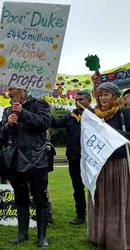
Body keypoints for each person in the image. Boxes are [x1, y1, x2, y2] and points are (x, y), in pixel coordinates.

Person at [0, 87, 52, 247]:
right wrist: (9, 125)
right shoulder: (7, 110)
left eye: (12, 89)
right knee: (21, 198)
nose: (8, 92)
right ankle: (22, 234)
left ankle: (42, 237)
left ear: (23, 90)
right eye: (8, 90)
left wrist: (23, 113)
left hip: (37, 161)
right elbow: (2, 133)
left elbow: (45, 123)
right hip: (16, 161)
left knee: (40, 197)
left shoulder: (40, 104)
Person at [88, 82, 130, 250]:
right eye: (100, 94)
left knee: (115, 202)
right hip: (98, 166)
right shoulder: (93, 114)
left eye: (106, 94)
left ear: (114, 96)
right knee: (99, 201)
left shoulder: (124, 113)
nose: (103, 97)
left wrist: (109, 131)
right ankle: (98, 236)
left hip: (117, 164)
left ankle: (116, 239)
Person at [51, 90, 92, 225]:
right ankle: (80, 215)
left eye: (81, 100)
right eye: (76, 100)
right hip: (74, 158)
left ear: (89, 100)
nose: (78, 102)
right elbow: (55, 123)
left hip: (92, 159)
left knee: (96, 187)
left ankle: (98, 215)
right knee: (77, 188)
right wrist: (46, 111)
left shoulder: (96, 115)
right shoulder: (70, 116)